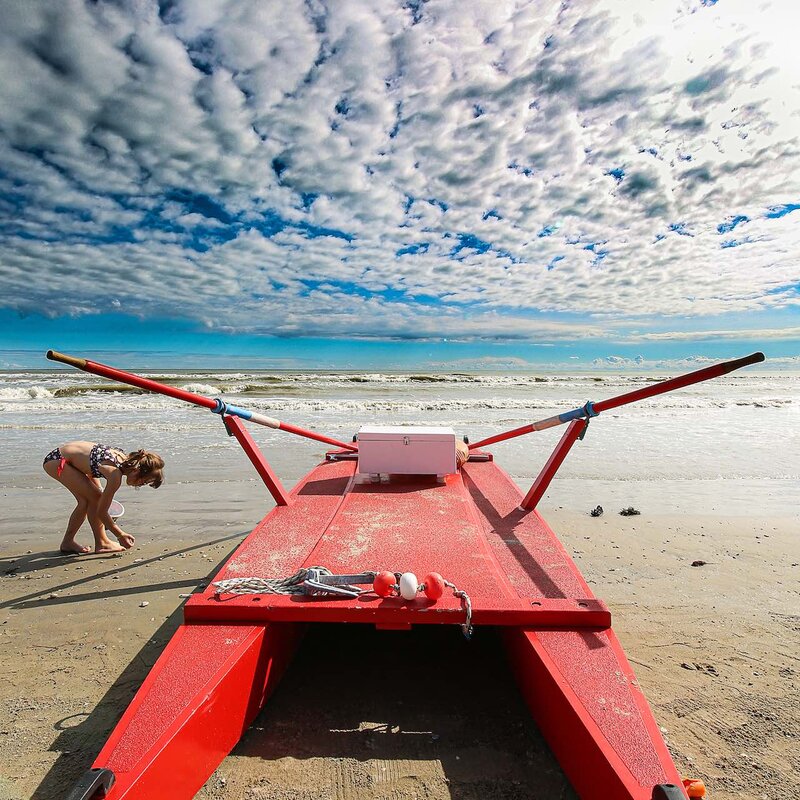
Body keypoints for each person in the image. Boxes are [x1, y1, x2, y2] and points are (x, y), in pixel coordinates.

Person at [43, 441, 164, 555]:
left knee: (86, 501)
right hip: (59, 462)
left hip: (60, 458)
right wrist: (120, 534)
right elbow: (101, 512)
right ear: (137, 470)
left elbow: (89, 467)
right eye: (144, 481)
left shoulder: (121, 458)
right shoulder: (115, 475)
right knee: (95, 499)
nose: (140, 485)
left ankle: (68, 542)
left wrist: (98, 489)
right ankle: (102, 543)